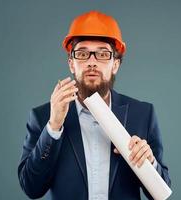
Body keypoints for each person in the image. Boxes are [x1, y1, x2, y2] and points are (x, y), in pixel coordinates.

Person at [18, 10, 171, 200]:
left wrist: (149, 163)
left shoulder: (142, 114)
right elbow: (31, 188)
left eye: (102, 54)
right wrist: (54, 127)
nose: (92, 62)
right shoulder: (44, 117)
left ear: (115, 64)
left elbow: (161, 192)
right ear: (71, 64)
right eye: (82, 54)